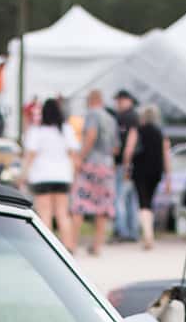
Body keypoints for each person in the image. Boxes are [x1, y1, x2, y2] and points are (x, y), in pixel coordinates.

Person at [22, 97, 78, 250]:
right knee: (62, 214)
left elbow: (30, 155)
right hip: (62, 176)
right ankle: (69, 247)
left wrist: (23, 175)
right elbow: (73, 154)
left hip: (42, 176)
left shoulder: (37, 131)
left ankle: (49, 249)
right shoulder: (65, 129)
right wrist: (74, 175)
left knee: (45, 214)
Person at [72, 89, 117, 256]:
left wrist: (80, 157)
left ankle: (72, 243)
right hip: (107, 165)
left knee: (80, 204)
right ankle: (97, 245)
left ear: (90, 101)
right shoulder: (111, 119)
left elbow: (91, 135)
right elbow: (115, 147)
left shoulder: (92, 115)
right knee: (102, 206)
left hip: (92, 164)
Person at [121, 103, 171, 251]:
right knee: (149, 201)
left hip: (140, 170)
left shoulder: (137, 131)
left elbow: (128, 150)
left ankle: (148, 234)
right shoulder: (161, 133)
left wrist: (126, 168)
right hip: (156, 171)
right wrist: (168, 178)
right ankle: (149, 234)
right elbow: (166, 156)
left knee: (143, 202)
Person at [112, 89, 139, 241]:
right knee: (130, 200)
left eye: (119, 100)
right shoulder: (130, 116)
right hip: (131, 165)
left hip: (126, 165)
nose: (118, 103)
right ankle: (132, 231)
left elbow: (130, 142)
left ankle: (123, 231)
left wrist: (126, 163)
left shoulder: (128, 117)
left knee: (120, 198)